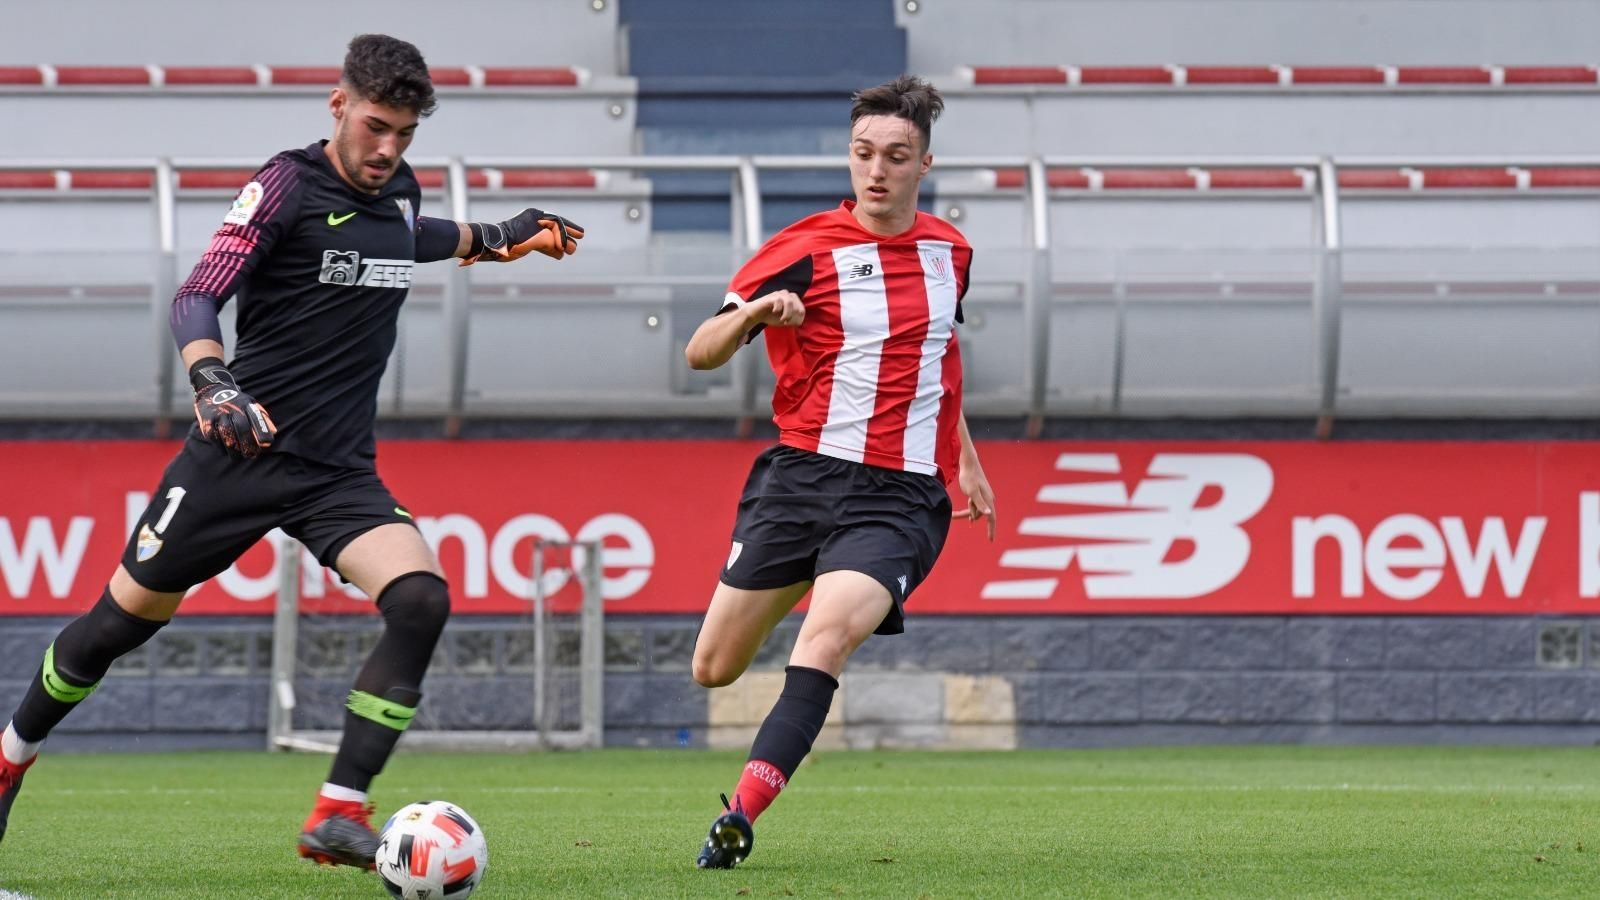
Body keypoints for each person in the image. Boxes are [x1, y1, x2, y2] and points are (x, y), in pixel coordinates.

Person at [0, 34, 584, 869]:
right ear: (338, 105)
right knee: (111, 631)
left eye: (406, 134)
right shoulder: (284, 186)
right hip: (237, 451)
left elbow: (411, 236)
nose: (388, 149)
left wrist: (503, 234)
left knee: (420, 599)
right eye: (376, 126)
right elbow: (200, 291)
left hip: (336, 472)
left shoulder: (401, 191)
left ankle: (337, 812)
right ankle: (9, 757)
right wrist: (213, 382)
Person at [682, 75, 997, 869]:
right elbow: (700, 351)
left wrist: (967, 459)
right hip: (800, 480)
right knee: (713, 668)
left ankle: (741, 815)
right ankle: (810, 574)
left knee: (825, 640)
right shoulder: (802, 250)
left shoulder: (951, 251)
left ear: (925, 163)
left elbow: (935, 359)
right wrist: (754, 314)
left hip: (897, 498)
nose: (877, 170)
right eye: (863, 154)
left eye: (896, 155)